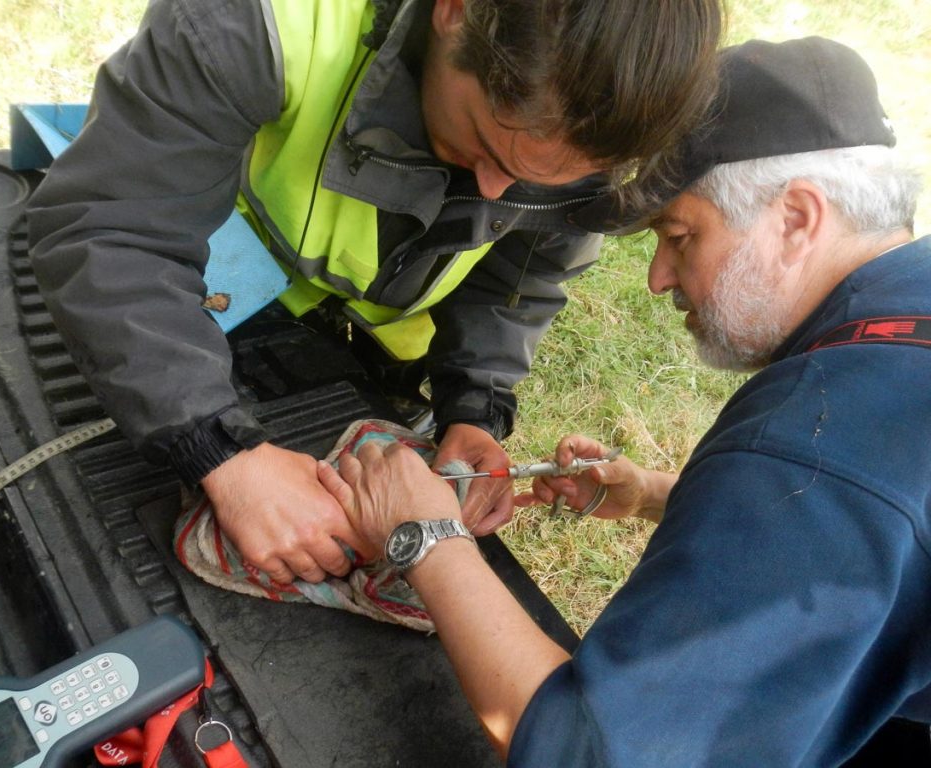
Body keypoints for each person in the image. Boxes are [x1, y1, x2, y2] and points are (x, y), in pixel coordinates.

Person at [317, 36, 931, 765]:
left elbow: (589, 753)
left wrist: (424, 536)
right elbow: (875, 536)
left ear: (797, 220)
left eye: (679, 236)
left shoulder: (811, 449)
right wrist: (659, 496)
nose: (658, 280)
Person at [24, 0, 723, 585]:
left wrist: (474, 406)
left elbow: (523, 272)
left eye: (536, 183)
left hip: (367, 353)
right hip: (189, 302)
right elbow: (114, 229)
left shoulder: (604, 118)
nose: (493, 193)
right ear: (455, 12)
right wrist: (222, 454)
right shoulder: (263, 20)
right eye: (484, 146)